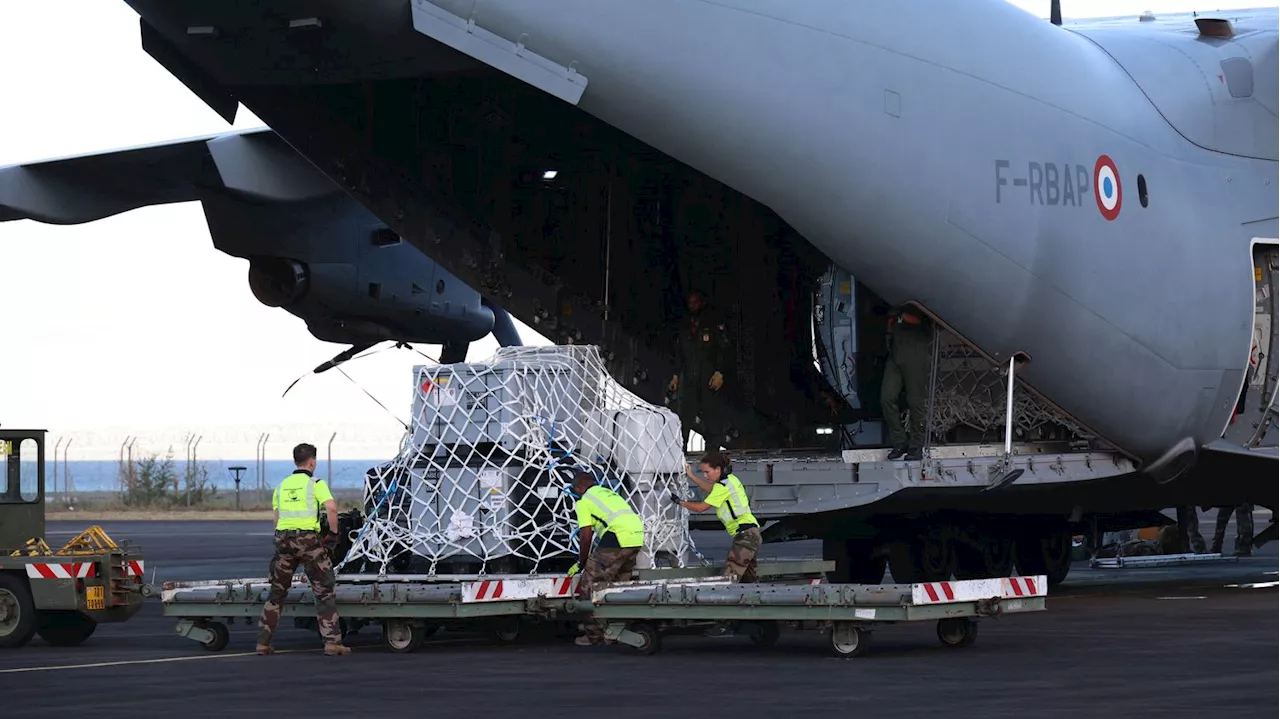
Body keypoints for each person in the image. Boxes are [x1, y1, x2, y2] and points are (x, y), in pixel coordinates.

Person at [255, 442, 350, 656]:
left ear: (295, 461)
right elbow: (332, 508)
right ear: (312, 462)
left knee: (277, 593)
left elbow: (277, 518)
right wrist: (333, 536)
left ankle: (263, 642)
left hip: (283, 540)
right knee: (324, 591)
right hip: (308, 542)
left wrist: (281, 542)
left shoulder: (281, 486)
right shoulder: (315, 483)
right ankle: (332, 642)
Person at [566, 470, 645, 647]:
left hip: (617, 538)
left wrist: (582, 562)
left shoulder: (584, 501)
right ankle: (618, 629)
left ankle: (593, 635)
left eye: (574, 490)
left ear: (579, 487)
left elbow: (586, 536)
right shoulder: (609, 493)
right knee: (619, 588)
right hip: (636, 537)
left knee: (589, 587)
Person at [672, 451, 761, 582]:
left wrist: (679, 502)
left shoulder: (722, 487)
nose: (705, 475)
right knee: (748, 578)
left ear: (718, 469)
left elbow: (701, 508)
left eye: (707, 472)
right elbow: (711, 489)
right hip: (751, 533)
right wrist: (691, 476)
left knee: (728, 578)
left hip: (745, 535)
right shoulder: (731, 480)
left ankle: (721, 600)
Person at [669, 290, 733, 448]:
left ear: (701, 303)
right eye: (690, 303)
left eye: (695, 303)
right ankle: (679, 456)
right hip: (690, 378)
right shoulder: (684, 326)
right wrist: (676, 375)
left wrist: (720, 372)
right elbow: (679, 353)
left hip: (708, 378)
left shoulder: (712, 323)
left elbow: (725, 350)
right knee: (684, 418)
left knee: (711, 419)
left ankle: (712, 456)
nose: (692, 306)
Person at [880, 304, 932, 461]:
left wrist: (900, 315)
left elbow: (923, 321)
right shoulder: (893, 299)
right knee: (887, 397)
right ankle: (899, 441)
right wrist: (889, 332)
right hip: (896, 351)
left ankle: (917, 445)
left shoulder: (917, 297)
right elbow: (891, 320)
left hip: (915, 351)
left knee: (915, 401)